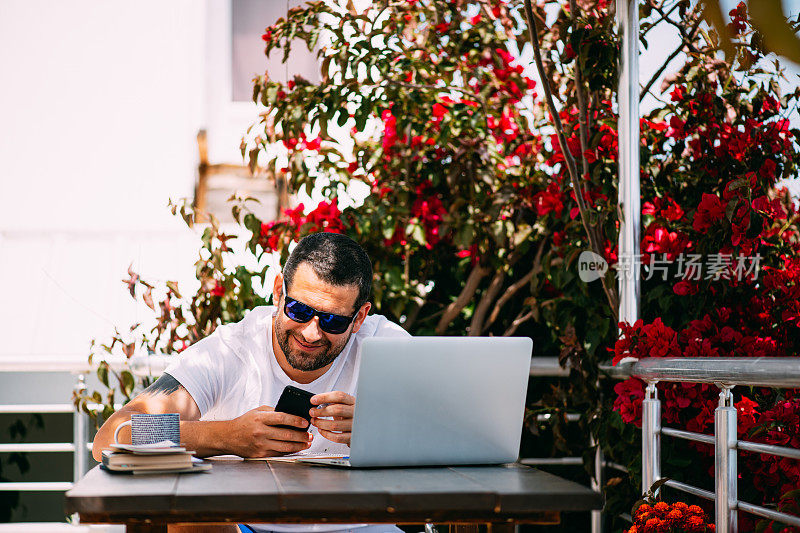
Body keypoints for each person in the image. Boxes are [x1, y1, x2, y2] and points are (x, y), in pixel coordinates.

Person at [92, 232, 410, 533]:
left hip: (361, 525)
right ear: (277, 292)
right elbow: (113, 435)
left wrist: (380, 430)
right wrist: (228, 435)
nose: (311, 333)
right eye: (298, 310)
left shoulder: (387, 348)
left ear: (359, 318)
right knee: (190, 518)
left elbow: (454, 433)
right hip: (250, 526)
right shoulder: (229, 351)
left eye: (333, 320)